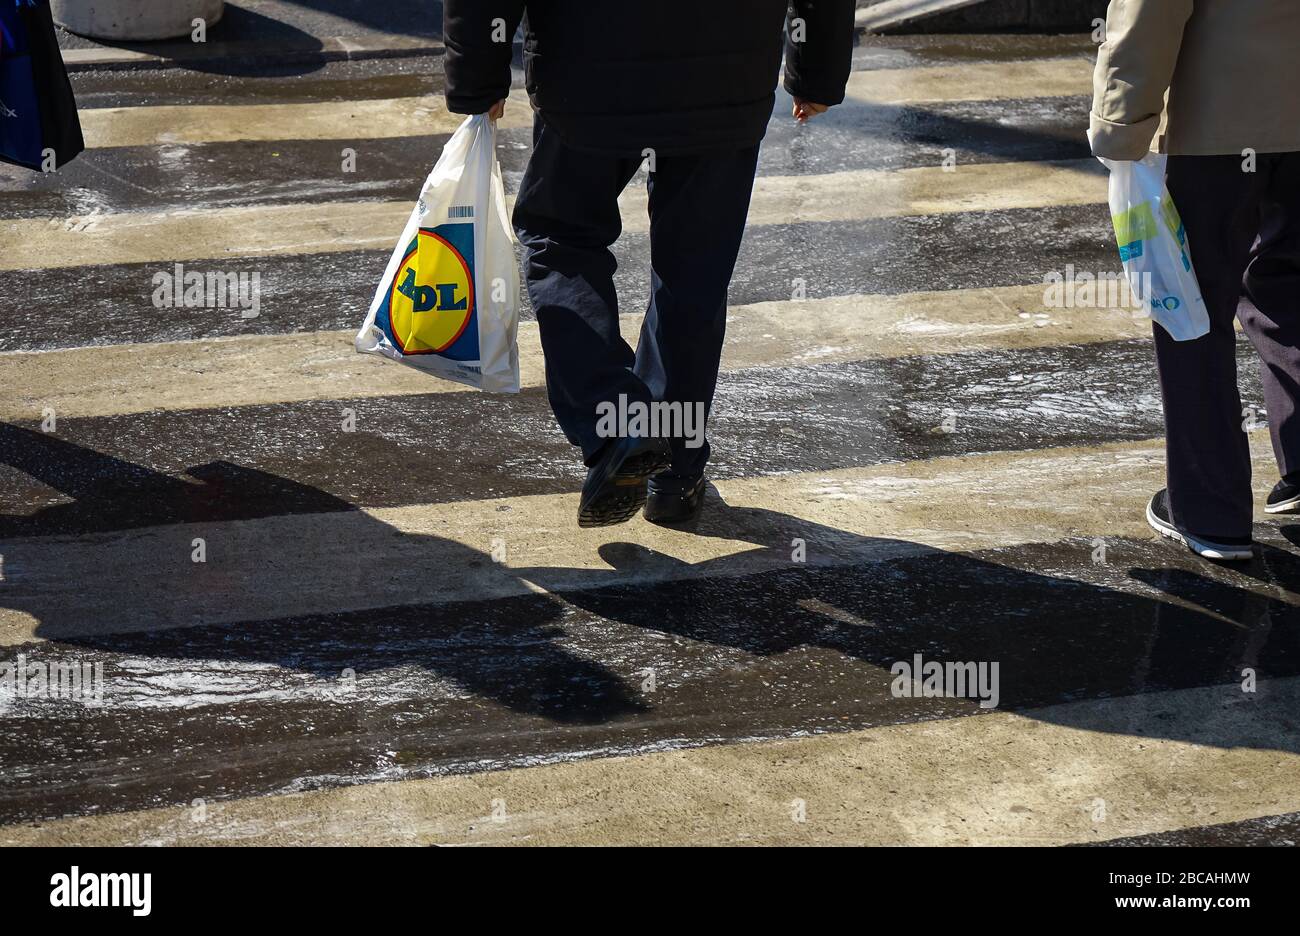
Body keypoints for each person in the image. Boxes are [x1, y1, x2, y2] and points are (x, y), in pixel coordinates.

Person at [444, 1, 855, 527]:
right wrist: (817, 69)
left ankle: (617, 426)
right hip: (724, 77)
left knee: (562, 238)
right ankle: (674, 474)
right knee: (694, 271)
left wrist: (477, 75)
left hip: (588, 72)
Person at [1090, 0, 1300, 560]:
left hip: (1222, 128)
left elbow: (1150, 12)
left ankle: (1211, 510)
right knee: (1289, 289)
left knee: (1194, 314)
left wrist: (1119, 124)